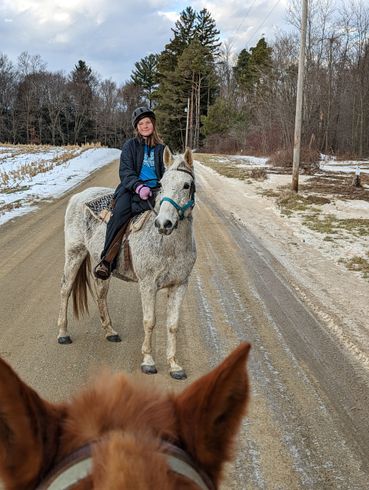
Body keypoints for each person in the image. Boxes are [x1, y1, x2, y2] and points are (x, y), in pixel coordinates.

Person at [93, 106, 165, 280]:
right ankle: (107, 260)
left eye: (148, 122)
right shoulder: (130, 146)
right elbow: (125, 172)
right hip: (131, 190)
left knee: (171, 214)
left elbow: (167, 171)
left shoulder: (162, 148)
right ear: (137, 127)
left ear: (153, 124)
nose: (145, 126)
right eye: (141, 123)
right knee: (120, 215)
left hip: (156, 190)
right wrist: (139, 187)